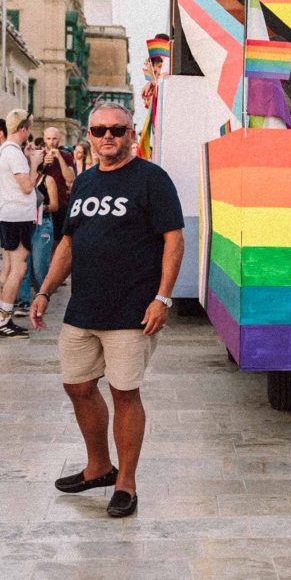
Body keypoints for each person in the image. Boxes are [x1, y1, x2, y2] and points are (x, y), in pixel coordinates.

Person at [30, 101, 184, 518]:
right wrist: (45, 291)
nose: (108, 137)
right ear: (91, 137)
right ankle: (97, 466)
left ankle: (126, 483)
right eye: (99, 131)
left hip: (132, 310)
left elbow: (174, 239)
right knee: (77, 386)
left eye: (117, 129)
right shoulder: (84, 182)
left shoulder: (152, 179)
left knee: (124, 393)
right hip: (83, 309)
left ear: (132, 134)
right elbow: (68, 244)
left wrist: (163, 297)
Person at [0, 109, 44, 338]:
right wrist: (35, 163)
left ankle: (2, 316)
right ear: (23, 129)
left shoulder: (7, 150)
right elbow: (27, 187)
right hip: (18, 217)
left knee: (8, 269)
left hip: (9, 216)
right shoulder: (13, 153)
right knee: (19, 268)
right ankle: (4, 319)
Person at [15, 158, 58, 315]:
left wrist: (40, 206)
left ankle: (42, 297)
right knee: (24, 265)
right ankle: (23, 301)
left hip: (42, 225)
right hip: (23, 224)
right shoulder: (18, 182)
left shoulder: (48, 180)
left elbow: (55, 205)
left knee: (39, 266)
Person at [42, 127, 75, 244]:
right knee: (44, 243)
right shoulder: (38, 155)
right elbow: (33, 179)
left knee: (59, 242)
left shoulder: (66, 156)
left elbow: (70, 178)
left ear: (59, 139)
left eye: (54, 138)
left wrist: (59, 158)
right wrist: (43, 163)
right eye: (49, 138)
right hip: (43, 205)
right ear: (44, 139)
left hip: (61, 204)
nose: (51, 142)